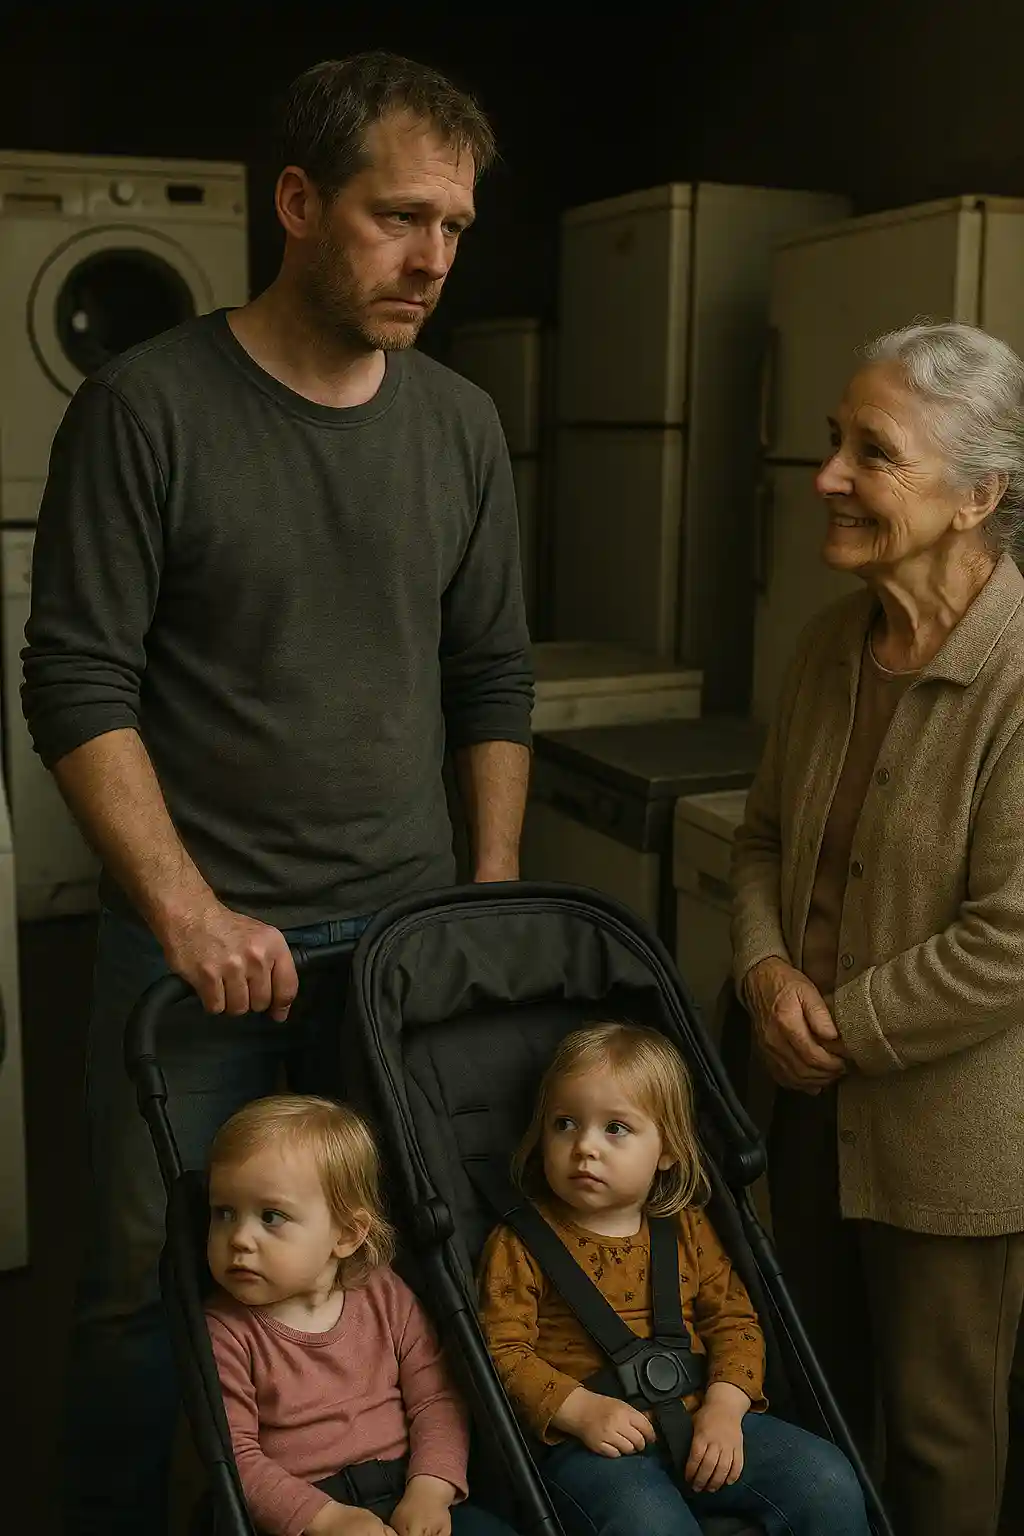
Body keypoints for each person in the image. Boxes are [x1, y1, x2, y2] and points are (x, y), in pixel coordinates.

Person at [22, 52, 533, 1535]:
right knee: (147, 1287)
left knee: (396, 1267)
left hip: (400, 947)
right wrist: (185, 910)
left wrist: (487, 894)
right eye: (399, 218)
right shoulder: (145, 408)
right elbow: (76, 685)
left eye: (454, 226)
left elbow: (491, 676)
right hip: (200, 948)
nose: (432, 258)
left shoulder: (457, 426)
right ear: (298, 203)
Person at [731, 321, 1024, 1536]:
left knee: (940, 1442)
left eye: (872, 452)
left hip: (951, 1149)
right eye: (831, 443)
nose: (828, 478)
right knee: (810, 1414)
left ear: (977, 497)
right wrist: (758, 969)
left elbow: (1012, 937)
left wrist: (837, 1023)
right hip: (803, 1118)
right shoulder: (822, 649)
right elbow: (752, 840)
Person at [477, 1023, 870, 1536]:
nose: (585, 1147)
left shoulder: (685, 1226)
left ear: (666, 1150)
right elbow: (500, 1351)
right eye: (565, 1124)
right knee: (651, 1524)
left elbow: (733, 1319)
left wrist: (726, 1407)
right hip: (594, 1445)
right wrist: (580, 1411)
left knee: (827, 1479)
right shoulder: (520, 1243)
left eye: (615, 1128)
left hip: (704, 1417)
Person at [206, 1095, 517, 1536]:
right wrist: (327, 1520)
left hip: (409, 1487)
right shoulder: (227, 1330)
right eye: (224, 1213)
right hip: (303, 1513)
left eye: (270, 1216)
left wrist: (431, 1489)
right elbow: (236, 1457)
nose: (239, 1238)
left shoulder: (382, 1293)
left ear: (347, 1234)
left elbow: (436, 1397)